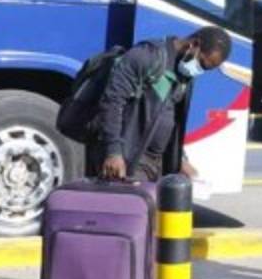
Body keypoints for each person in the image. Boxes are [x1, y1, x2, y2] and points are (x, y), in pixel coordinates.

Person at [91, 27, 232, 183]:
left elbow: (170, 119)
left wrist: (180, 159)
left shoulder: (184, 74)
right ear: (194, 44)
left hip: (156, 164)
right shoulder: (146, 56)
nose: (200, 71)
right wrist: (113, 152)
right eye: (202, 65)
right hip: (129, 159)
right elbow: (112, 101)